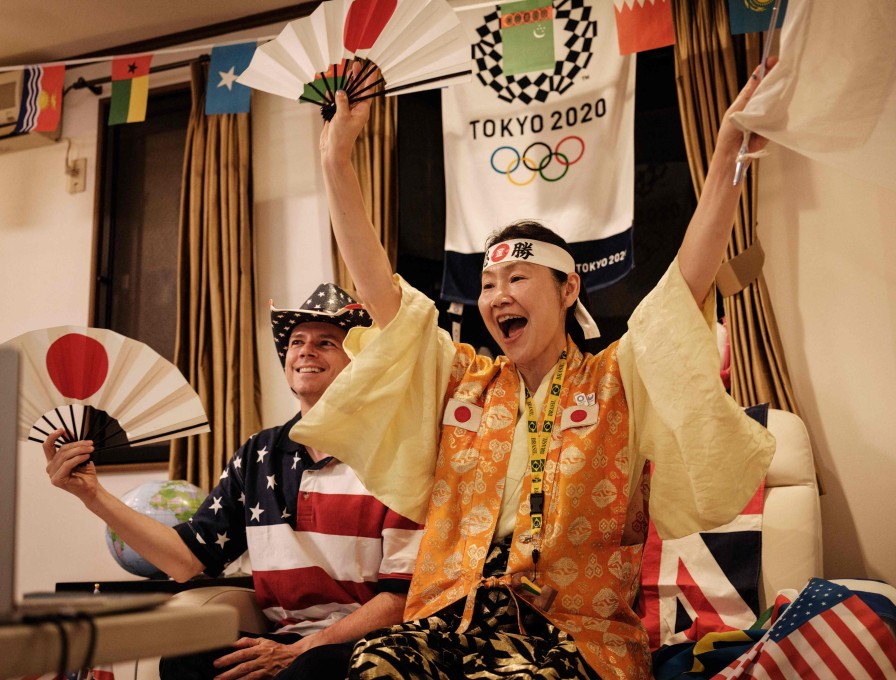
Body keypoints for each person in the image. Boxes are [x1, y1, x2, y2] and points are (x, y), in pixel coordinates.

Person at [294, 61, 779, 679]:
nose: (497, 296)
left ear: (568, 288)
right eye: (489, 283)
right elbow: (382, 295)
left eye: (518, 278)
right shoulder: (461, 380)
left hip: (572, 636)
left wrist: (726, 160)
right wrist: (336, 160)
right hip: (450, 620)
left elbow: (686, 283)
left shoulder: (615, 381)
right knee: (364, 668)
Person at [43, 284, 423, 680]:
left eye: (326, 342)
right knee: (183, 659)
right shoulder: (258, 453)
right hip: (286, 639)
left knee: (310, 669)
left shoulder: (394, 451)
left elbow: (400, 599)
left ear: (361, 361)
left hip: (372, 643)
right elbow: (184, 561)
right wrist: (92, 495)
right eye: (297, 342)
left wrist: (301, 650)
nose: (305, 351)